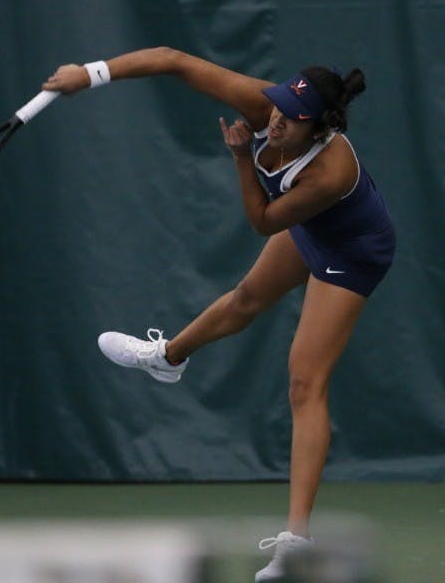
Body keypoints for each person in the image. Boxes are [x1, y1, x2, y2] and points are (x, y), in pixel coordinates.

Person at [43, 47, 396, 581]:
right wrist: (87, 75)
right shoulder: (266, 109)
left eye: (292, 118)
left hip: (353, 252)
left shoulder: (329, 171)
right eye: (277, 105)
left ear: (320, 130)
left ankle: (296, 542)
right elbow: (171, 60)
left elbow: (261, 221)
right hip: (313, 230)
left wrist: (238, 156)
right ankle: (167, 357)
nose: (275, 119)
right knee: (245, 300)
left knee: (304, 383)